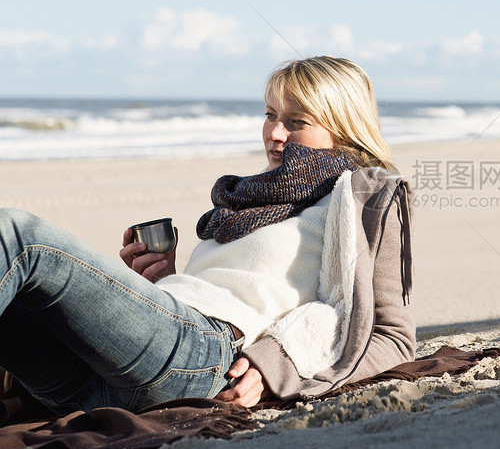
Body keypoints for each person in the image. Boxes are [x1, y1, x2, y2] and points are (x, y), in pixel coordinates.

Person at [0, 56, 415, 415]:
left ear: (344, 128)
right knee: (22, 291)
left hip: (205, 357)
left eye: (297, 121)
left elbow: (394, 340)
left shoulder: (363, 195)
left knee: (19, 238)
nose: (275, 132)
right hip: (119, 374)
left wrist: (275, 365)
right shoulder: (250, 201)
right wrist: (160, 282)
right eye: (270, 114)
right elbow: (231, 287)